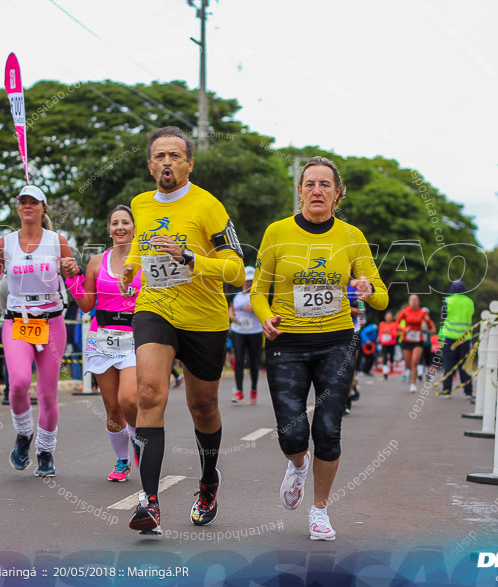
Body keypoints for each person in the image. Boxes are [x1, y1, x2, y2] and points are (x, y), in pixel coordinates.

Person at [251, 156, 388, 541]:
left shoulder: (351, 236)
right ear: (299, 191)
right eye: (310, 183)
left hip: (336, 341)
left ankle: (320, 510)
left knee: (328, 428)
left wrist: (368, 289)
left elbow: (381, 297)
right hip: (286, 342)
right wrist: (264, 316)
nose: (317, 190)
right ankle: (297, 465)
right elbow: (259, 291)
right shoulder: (276, 232)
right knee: (292, 433)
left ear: (337, 193)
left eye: (325, 185)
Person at [119, 127, 245, 535]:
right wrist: (130, 268)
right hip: (155, 308)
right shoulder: (141, 203)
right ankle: (149, 502)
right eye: (160, 156)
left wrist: (192, 258)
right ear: (150, 164)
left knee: (202, 407)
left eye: (175, 155)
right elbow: (141, 246)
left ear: (189, 163)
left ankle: (209, 480)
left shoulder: (207, 205)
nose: (167, 162)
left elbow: (236, 269)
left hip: (205, 317)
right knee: (149, 392)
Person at [0, 185, 73, 478]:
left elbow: (75, 282)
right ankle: (23, 435)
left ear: (44, 208)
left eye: (34, 202)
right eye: (23, 202)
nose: (28, 206)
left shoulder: (57, 242)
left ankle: (45, 452)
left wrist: (75, 274)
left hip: (51, 321)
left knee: (47, 394)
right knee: (18, 383)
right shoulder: (4, 243)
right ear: (17, 207)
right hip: (17, 321)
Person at [63, 204, 141, 482]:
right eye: (115, 223)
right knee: (112, 408)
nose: (120, 227)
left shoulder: (145, 260)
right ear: (109, 229)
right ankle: (122, 461)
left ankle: (139, 439)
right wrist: (71, 278)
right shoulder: (97, 262)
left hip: (134, 337)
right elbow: (86, 305)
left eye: (125, 223)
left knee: (129, 399)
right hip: (102, 338)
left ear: (134, 227)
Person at [229, 266, 263, 404]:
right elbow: (231, 309)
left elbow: (258, 307)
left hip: (254, 331)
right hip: (239, 331)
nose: (249, 283)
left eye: (251, 281)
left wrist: (252, 307)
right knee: (238, 361)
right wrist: (231, 315)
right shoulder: (236, 296)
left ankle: (253, 390)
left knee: (254, 362)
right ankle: (239, 391)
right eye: (247, 280)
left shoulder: (257, 295)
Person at [436, 280, 475, 398]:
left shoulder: (448, 301)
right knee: (464, 365)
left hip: (450, 337)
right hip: (465, 338)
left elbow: (443, 318)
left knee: (448, 364)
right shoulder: (469, 302)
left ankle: (447, 390)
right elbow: (470, 316)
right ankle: (468, 392)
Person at [395, 295, 435, 393]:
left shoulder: (422, 313)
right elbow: (396, 324)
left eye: (415, 300)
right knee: (408, 363)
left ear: (418, 302)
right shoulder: (405, 312)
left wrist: (427, 321)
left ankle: (413, 384)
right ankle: (408, 370)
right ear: (409, 302)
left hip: (418, 340)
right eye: (412, 300)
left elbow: (431, 326)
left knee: (415, 361)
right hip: (407, 340)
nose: (413, 302)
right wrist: (404, 329)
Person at [378, 312, 398, 380]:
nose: (389, 317)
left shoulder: (393, 324)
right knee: (384, 357)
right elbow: (380, 332)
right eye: (387, 316)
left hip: (391, 343)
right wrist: (379, 338)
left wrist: (389, 331)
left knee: (391, 356)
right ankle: (385, 372)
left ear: (392, 318)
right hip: (384, 343)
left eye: (390, 316)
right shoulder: (382, 324)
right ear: (385, 317)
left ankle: (391, 365)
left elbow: (395, 334)